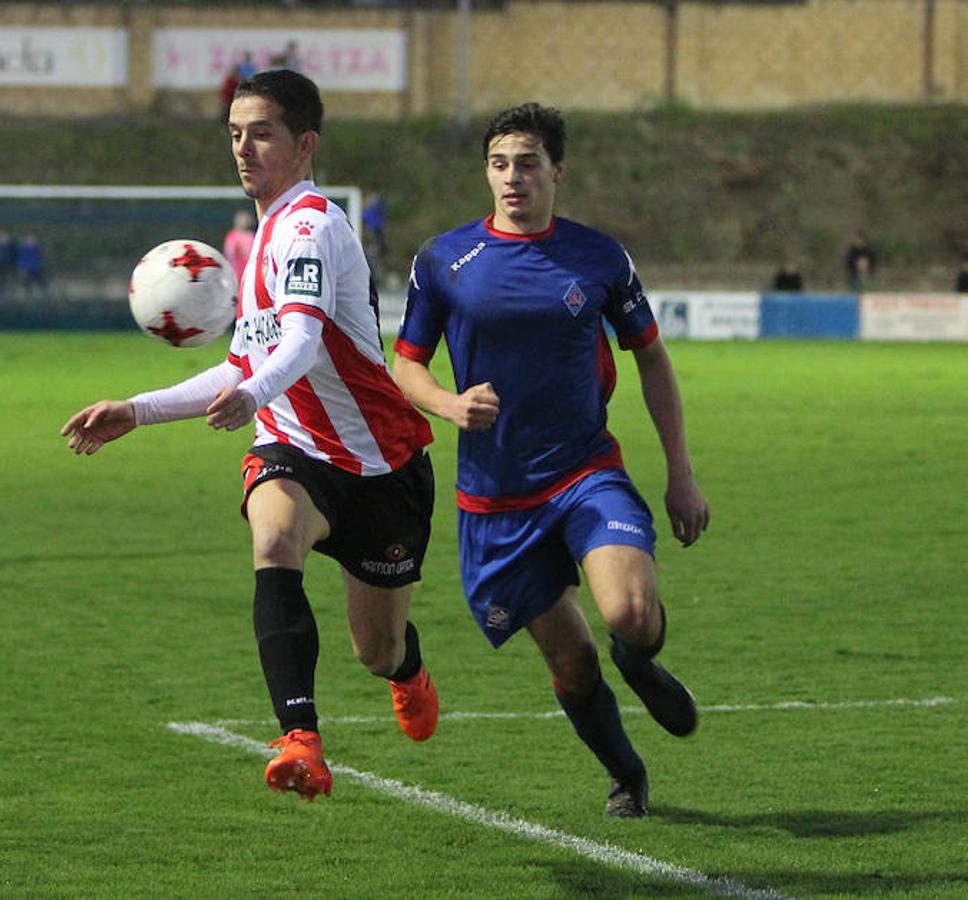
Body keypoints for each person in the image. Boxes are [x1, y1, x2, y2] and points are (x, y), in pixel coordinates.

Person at [62, 70, 439, 801]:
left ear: (304, 145)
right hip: (292, 445)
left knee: (377, 648)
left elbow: (297, 340)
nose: (243, 148)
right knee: (273, 541)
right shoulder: (261, 235)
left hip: (379, 464)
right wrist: (134, 411)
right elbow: (243, 361)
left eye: (260, 132)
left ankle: (407, 669)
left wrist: (252, 392)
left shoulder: (311, 225)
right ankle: (300, 737)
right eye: (234, 133)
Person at [391, 103, 710, 818]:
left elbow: (651, 357)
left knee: (627, 609)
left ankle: (639, 654)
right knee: (571, 661)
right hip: (494, 499)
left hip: (584, 474)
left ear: (557, 171)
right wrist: (447, 404)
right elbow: (405, 364)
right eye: (500, 164)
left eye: (528, 163)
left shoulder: (599, 257)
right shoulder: (444, 260)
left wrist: (680, 473)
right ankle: (628, 775)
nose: (513, 178)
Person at [222, 208, 255, 294]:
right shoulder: (233, 236)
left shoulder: (251, 236)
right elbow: (230, 254)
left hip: (249, 271)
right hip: (236, 271)